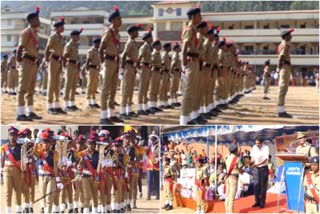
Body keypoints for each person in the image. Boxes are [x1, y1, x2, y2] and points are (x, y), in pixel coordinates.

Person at [16, 6, 42, 121]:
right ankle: (20, 113)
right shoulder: (26, 32)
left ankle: (30, 111)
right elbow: (20, 47)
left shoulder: (35, 33)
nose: (39, 21)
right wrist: (19, 62)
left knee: (31, 88)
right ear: (31, 21)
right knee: (23, 88)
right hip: (26, 62)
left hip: (33, 62)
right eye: (37, 19)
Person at [99, 5, 123, 124]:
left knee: (113, 88)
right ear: (113, 20)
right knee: (106, 88)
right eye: (119, 19)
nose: (121, 21)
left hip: (115, 61)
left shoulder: (117, 33)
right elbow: (101, 47)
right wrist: (103, 61)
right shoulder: (108, 32)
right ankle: (103, 116)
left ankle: (111, 114)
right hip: (108, 61)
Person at [180, 4, 202, 125]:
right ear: (193, 16)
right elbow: (184, 48)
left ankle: (192, 116)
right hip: (189, 62)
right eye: (199, 15)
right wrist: (184, 66)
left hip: (194, 62)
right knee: (187, 91)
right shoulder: (189, 30)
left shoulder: (194, 30)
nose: (201, 18)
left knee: (193, 90)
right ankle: (184, 118)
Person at [45, 16, 66, 115]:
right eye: (61, 26)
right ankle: (49, 105)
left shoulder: (61, 38)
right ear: (57, 27)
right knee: (52, 83)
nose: (63, 28)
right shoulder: (53, 37)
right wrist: (46, 61)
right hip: (53, 60)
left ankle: (56, 105)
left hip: (59, 61)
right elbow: (47, 49)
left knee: (57, 83)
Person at [119, 24, 141, 120]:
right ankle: (122, 111)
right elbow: (124, 55)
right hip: (128, 66)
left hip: (132, 67)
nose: (138, 33)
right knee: (126, 89)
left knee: (131, 89)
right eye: (136, 31)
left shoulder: (134, 43)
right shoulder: (129, 43)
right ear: (131, 33)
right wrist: (122, 69)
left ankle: (129, 110)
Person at [1, 127, 22, 213]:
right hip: (7, 170)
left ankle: (18, 210)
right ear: (8, 136)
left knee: (17, 190)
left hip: (17, 170)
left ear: (17, 137)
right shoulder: (4, 147)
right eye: (10, 135)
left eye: (14, 135)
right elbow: (2, 158)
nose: (12, 137)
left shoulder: (21, 147)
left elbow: (23, 159)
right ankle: (8, 211)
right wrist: (1, 169)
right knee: (7, 192)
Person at [63, 28, 82, 112]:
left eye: (78, 35)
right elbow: (65, 55)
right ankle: (66, 104)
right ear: (72, 36)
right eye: (76, 35)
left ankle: (72, 103)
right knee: (68, 85)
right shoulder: (69, 45)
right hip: (70, 64)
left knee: (74, 85)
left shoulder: (75, 45)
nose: (78, 37)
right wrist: (64, 65)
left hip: (75, 65)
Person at [277, 28, 294, 118]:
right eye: (289, 34)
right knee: (283, 88)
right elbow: (281, 57)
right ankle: (280, 110)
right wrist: (279, 67)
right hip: (284, 66)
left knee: (284, 88)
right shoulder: (284, 44)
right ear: (286, 36)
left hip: (285, 67)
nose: (291, 36)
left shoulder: (285, 44)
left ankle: (281, 109)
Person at [137, 28, 153, 115]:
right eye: (150, 38)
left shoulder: (149, 47)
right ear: (147, 39)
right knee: (142, 88)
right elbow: (139, 57)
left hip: (147, 68)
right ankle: (140, 108)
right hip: (144, 67)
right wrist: (139, 67)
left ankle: (145, 107)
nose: (152, 39)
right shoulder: (144, 47)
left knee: (146, 88)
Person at [250, 136, 269, 208]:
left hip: (263, 168)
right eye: (256, 143)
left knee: (263, 186)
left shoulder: (266, 148)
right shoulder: (254, 147)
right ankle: (257, 201)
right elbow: (252, 157)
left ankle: (262, 202)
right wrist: (249, 162)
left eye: (258, 143)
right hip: (256, 169)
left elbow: (265, 160)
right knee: (256, 185)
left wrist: (255, 164)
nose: (257, 145)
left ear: (262, 143)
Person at [225, 144, 243, 213]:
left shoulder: (227, 157)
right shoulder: (237, 159)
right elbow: (240, 170)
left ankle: (227, 212)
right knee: (232, 198)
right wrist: (243, 171)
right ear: (235, 151)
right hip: (234, 178)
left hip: (228, 177)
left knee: (227, 196)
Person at [85, 37, 101, 109]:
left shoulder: (98, 51)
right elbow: (88, 60)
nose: (99, 44)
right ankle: (88, 101)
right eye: (98, 43)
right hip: (92, 68)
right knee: (90, 84)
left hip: (96, 69)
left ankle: (93, 101)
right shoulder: (91, 50)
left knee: (95, 85)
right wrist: (87, 69)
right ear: (95, 43)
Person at [148, 39, 163, 114]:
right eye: (159, 45)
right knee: (152, 89)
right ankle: (151, 106)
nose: (161, 46)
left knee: (156, 89)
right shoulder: (154, 53)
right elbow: (151, 63)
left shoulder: (158, 53)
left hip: (157, 72)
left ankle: (154, 105)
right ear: (156, 46)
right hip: (154, 72)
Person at [146, 132, 160, 200]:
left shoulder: (158, 147)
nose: (151, 141)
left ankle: (158, 195)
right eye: (151, 140)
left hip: (156, 166)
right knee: (149, 180)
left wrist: (157, 159)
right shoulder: (148, 148)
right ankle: (148, 195)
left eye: (153, 139)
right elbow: (146, 155)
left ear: (155, 140)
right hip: (150, 166)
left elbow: (160, 155)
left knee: (157, 181)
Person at [169, 43, 181, 107]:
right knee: (173, 87)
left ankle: (175, 100)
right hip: (174, 72)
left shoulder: (177, 55)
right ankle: (172, 101)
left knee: (176, 86)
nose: (180, 48)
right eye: (179, 47)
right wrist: (171, 72)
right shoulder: (175, 56)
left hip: (177, 72)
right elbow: (172, 65)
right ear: (176, 49)